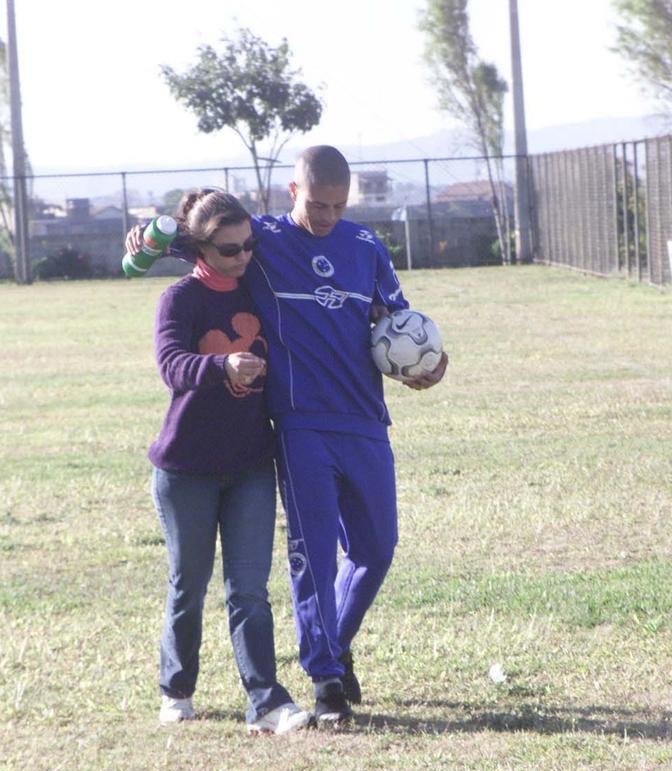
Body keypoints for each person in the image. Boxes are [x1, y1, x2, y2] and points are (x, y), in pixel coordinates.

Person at [128, 146, 447, 729]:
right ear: (292, 192)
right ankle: (325, 677)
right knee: (314, 554)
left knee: (377, 549)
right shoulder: (263, 241)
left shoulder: (366, 246)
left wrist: (427, 363)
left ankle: (336, 644)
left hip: (365, 421)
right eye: (317, 203)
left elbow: (399, 322)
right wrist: (144, 237)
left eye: (338, 205)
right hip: (299, 426)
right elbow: (194, 240)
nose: (327, 216)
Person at [143, 189, 312, 735]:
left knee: (249, 590)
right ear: (200, 248)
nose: (242, 257)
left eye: (248, 246)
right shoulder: (179, 299)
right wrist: (221, 366)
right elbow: (171, 365)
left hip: (249, 467)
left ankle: (265, 701)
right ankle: (177, 688)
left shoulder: (259, 284)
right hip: (185, 468)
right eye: (229, 249)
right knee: (188, 585)